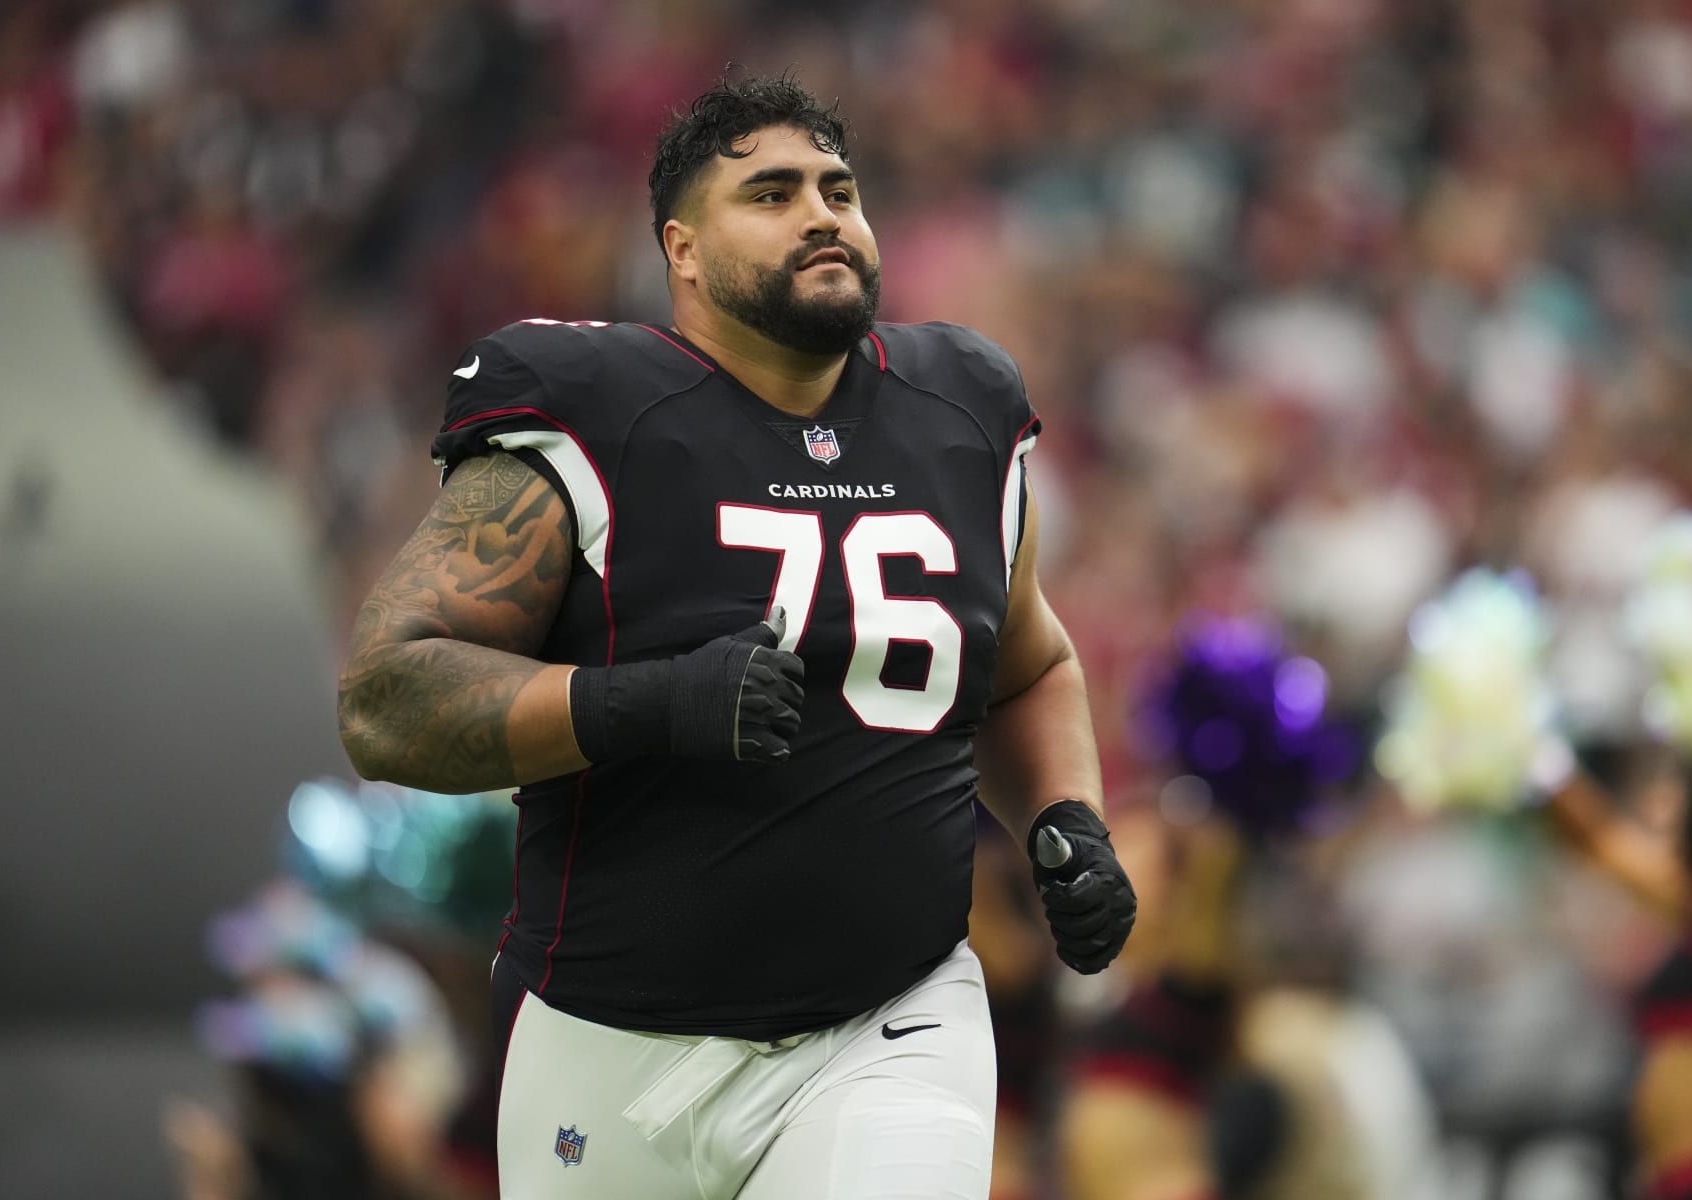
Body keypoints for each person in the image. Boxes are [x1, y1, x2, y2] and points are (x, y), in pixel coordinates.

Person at [336, 71, 1137, 1200]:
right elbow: (385, 697)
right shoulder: (591, 408)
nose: (822, 213)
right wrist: (648, 704)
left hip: (888, 1023)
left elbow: (1029, 666)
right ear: (683, 251)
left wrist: (1069, 821)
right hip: (611, 1041)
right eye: (769, 192)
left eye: (839, 187)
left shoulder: (962, 408)